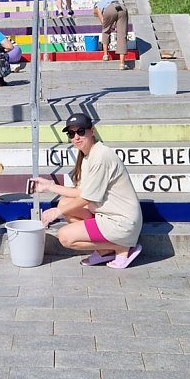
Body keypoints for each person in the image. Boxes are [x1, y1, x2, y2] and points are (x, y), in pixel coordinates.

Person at [31, 113, 142, 269]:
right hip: (108, 216)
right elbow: (81, 192)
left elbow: (86, 199)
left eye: (81, 131)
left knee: (64, 237)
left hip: (120, 223)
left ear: (92, 131)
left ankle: (122, 248)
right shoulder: (88, 156)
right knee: (66, 202)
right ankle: (105, 251)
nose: (76, 137)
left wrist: (57, 212)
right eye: (71, 133)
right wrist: (49, 186)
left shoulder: (101, 156)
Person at [93, 0, 129, 70]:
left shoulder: (96, 7)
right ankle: (122, 63)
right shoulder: (106, 1)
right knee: (122, 34)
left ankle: (105, 55)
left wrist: (109, 26)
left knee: (105, 31)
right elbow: (116, 13)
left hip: (110, 9)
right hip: (121, 8)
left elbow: (103, 23)